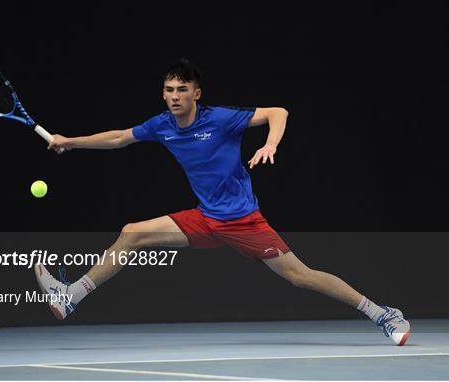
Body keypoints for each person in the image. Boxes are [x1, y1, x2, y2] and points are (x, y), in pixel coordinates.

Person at [34, 58, 411, 345]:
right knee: (131, 233)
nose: (174, 96)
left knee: (301, 276)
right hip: (205, 218)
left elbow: (278, 112)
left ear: (196, 93)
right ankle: (72, 297)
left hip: (243, 221)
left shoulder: (221, 119)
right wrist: (70, 141)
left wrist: (270, 143)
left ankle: (383, 314)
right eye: (168, 89)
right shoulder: (161, 125)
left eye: (182, 89)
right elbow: (118, 138)